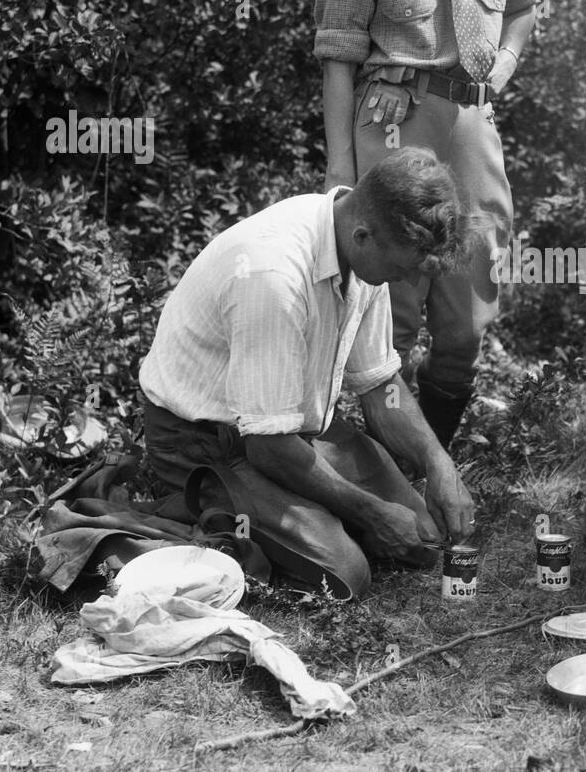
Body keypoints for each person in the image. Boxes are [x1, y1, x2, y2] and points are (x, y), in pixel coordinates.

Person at [138, 148, 477, 599]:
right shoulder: (272, 276)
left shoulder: (364, 250)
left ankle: (288, 518)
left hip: (288, 431)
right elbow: (268, 447)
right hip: (202, 441)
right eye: (401, 268)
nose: (407, 282)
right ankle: (183, 508)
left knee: (420, 541)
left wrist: (440, 465)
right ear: (363, 235)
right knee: (346, 573)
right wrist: (371, 514)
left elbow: (379, 387)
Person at [313, 0, 539, 448]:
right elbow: (337, 62)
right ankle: (379, 467)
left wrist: (504, 64)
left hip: (469, 126)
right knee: (392, 312)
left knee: (470, 309)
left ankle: (432, 461)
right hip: (392, 124)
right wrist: (339, 172)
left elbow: (524, 4)